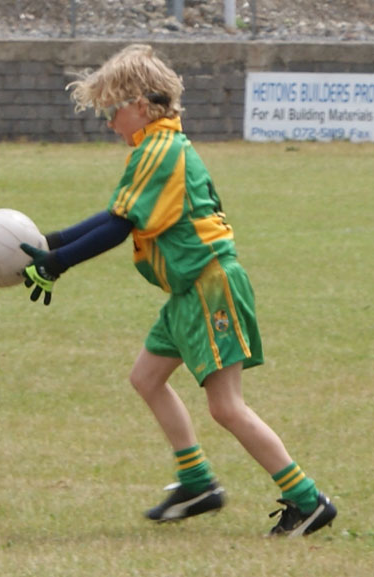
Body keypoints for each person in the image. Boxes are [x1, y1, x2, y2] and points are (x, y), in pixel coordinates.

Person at [20, 44, 337, 536]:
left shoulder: (161, 150)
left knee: (225, 405)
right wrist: (51, 243)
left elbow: (118, 225)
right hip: (191, 290)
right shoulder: (157, 147)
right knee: (146, 377)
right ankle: (197, 482)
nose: (109, 123)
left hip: (211, 286)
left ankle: (306, 499)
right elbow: (115, 216)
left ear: (141, 107)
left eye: (112, 111)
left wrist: (58, 262)